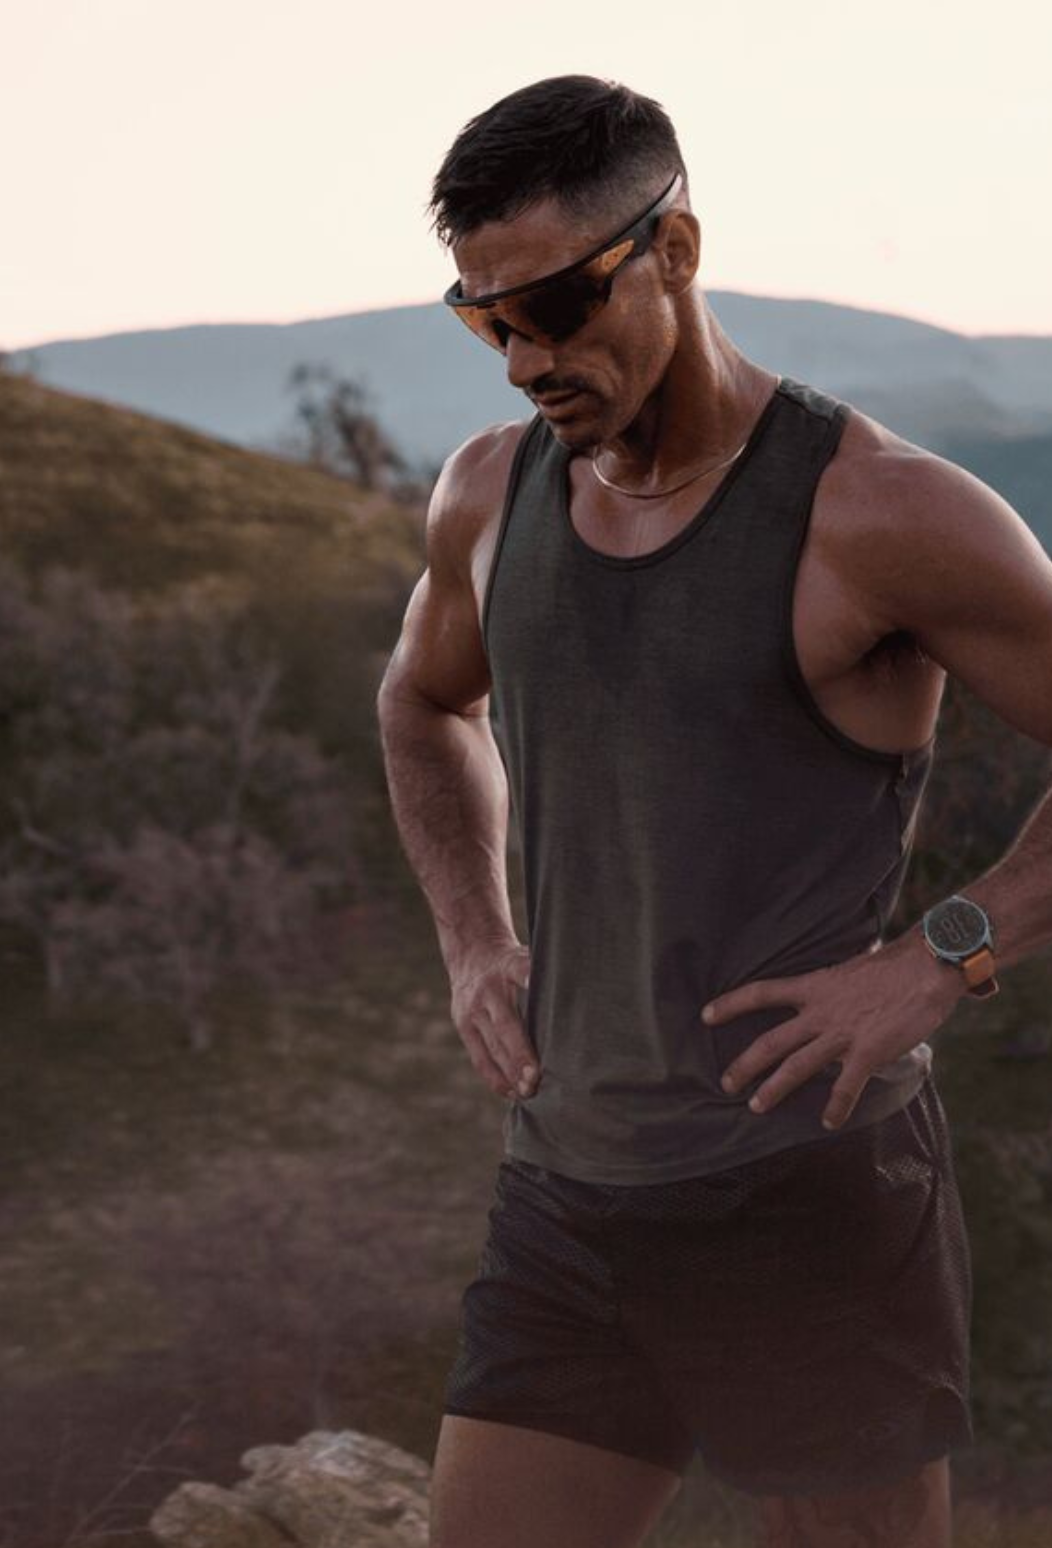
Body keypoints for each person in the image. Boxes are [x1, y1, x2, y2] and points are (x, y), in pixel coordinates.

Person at [375, 74, 1052, 1548]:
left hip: (805, 1199)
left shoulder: (881, 515)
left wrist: (945, 954)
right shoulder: (488, 496)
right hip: (568, 1189)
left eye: (556, 305)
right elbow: (422, 705)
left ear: (673, 251)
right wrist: (475, 940)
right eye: (486, 320)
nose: (524, 360)